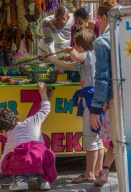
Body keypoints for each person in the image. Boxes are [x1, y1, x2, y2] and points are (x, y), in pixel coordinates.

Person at [43, 29, 104, 184]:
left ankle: (89, 173)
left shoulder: (90, 55)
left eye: (76, 44)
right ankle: (97, 172)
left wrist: (71, 50)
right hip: (92, 100)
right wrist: (51, 58)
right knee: (97, 139)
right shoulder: (86, 58)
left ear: (81, 46)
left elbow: (75, 56)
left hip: (92, 101)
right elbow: (68, 65)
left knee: (91, 138)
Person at [0, 82, 57, 191]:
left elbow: (2, 160)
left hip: (24, 165)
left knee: (11, 157)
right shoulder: (32, 121)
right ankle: (44, 181)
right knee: (44, 153)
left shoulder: (10, 139)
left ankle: (20, 181)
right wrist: (43, 93)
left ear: (3, 130)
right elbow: (46, 109)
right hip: (40, 161)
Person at [88, 1, 120, 186]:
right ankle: (106, 171)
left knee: (119, 143)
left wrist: (96, 108)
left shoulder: (102, 42)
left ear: (104, 18)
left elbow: (102, 77)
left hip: (116, 99)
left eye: (98, 20)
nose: (98, 25)